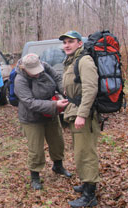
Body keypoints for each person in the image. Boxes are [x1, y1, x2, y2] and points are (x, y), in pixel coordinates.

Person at [14, 53, 71, 190]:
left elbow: (57, 78)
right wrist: (55, 105)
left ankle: (58, 166)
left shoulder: (45, 67)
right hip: (31, 118)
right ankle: (35, 175)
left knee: (57, 141)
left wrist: (64, 89)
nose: (37, 74)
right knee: (36, 149)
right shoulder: (20, 80)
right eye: (33, 72)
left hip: (50, 114)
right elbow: (30, 103)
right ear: (24, 68)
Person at [59, 31, 99, 207]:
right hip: (74, 111)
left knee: (86, 153)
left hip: (84, 114)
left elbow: (91, 88)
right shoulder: (72, 61)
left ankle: (90, 196)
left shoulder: (84, 61)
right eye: (65, 42)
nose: (66, 45)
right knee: (79, 152)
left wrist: (82, 114)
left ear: (79, 44)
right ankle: (86, 184)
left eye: (71, 42)